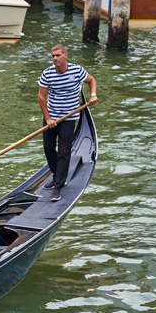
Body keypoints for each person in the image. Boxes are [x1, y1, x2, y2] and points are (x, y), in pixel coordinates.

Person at [38, 44, 98, 201]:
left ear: (66, 56)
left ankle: (58, 185)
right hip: (51, 116)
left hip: (68, 118)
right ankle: (57, 174)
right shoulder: (47, 74)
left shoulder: (77, 71)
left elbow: (91, 80)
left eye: (58, 55)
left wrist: (93, 95)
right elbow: (41, 97)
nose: (55, 58)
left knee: (64, 152)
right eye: (53, 56)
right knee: (48, 147)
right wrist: (48, 118)